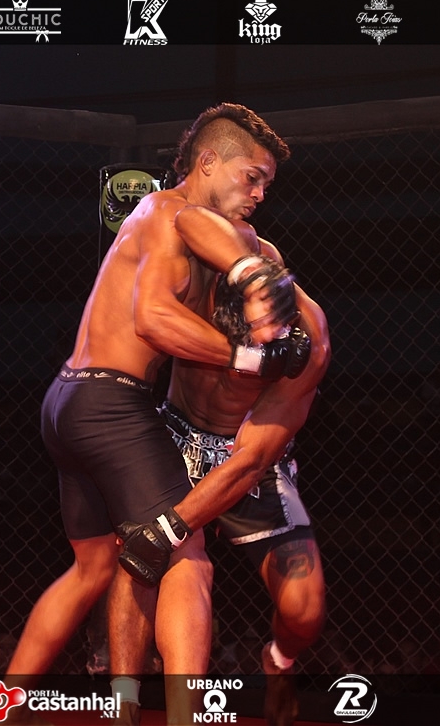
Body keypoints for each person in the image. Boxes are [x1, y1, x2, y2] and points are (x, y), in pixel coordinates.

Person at [0, 102, 302, 725]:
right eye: (252, 177)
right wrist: (250, 356)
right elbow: (152, 318)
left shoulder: (172, 221)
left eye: (267, 183)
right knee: (187, 552)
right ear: (207, 162)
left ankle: (4, 715)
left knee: (93, 567)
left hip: (67, 399)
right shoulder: (168, 214)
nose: (260, 194)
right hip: (110, 402)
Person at [153, 271, 330, 725]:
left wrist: (168, 528)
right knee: (182, 571)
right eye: (259, 325)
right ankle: (169, 709)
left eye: (279, 325)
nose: (271, 338)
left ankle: (279, 660)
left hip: (251, 461)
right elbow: (148, 312)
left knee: (305, 611)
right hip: (175, 441)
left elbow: (250, 461)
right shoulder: (198, 288)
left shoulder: (308, 344)